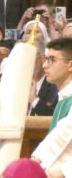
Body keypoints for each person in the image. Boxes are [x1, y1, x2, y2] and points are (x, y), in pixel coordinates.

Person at [30, 37, 72, 177]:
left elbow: (63, 137)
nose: (45, 66)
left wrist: (61, 173)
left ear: (70, 65)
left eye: (52, 60)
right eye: (46, 59)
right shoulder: (64, 98)